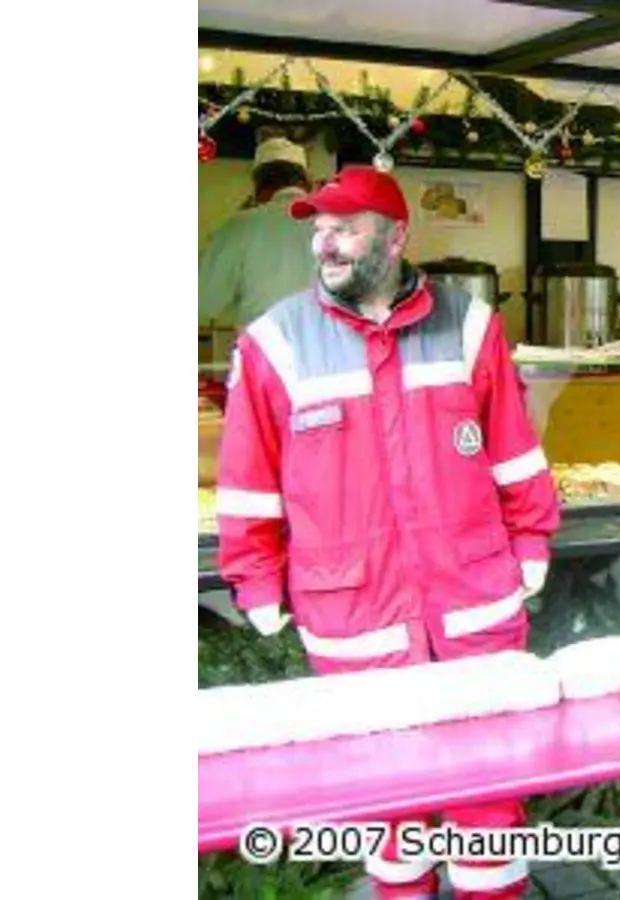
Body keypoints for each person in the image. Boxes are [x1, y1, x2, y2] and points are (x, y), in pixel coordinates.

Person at [213, 165, 561, 900]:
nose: (324, 245)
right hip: (355, 614)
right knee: (389, 806)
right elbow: (249, 477)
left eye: (344, 229)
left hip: (474, 604)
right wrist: (254, 575)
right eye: (318, 230)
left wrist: (531, 539)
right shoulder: (275, 342)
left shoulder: (469, 325)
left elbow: (512, 445)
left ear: (396, 236)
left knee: (488, 799)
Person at [198, 136, 321, 332]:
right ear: (306, 183)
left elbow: (204, 302)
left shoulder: (241, 226)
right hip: (332, 356)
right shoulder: (338, 224)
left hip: (264, 354)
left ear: (258, 188)